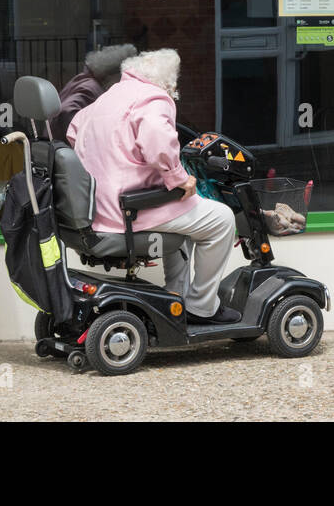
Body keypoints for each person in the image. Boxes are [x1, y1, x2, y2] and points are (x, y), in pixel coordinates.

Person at [67, 48, 241, 325]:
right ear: (168, 82)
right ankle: (202, 306)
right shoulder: (153, 98)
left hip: (99, 208)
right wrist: (179, 178)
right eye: (175, 85)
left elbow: (73, 131)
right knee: (221, 220)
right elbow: (158, 140)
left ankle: (176, 296)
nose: (175, 91)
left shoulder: (108, 97)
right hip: (128, 210)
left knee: (183, 225)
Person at [51, 43, 138, 140]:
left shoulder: (83, 78)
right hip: (66, 146)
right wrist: (89, 136)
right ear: (112, 75)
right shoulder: (90, 87)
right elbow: (66, 110)